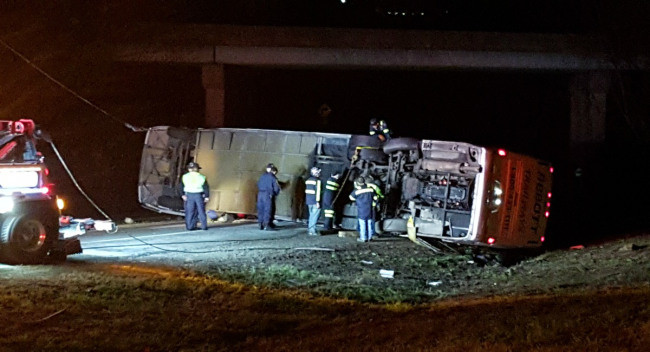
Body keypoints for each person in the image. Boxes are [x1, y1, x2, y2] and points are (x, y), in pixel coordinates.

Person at [180, 162, 209, 231]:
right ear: (197, 169)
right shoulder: (201, 177)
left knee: (190, 212)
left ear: (189, 169)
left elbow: (180, 186)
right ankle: (204, 226)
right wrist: (207, 196)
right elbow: (206, 187)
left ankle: (190, 226)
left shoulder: (185, 176)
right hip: (198, 195)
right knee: (201, 211)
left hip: (189, 196)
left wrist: (182, 195)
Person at [349, 176, 378, 242]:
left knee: (362, 224)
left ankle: (363, 238)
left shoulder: (356, 191)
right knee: (369, 223)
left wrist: (358, 200)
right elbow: (376, 198)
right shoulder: (370, 189)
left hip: (361, 209)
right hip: (369, 209)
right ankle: (370, 237)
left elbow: (351, 198)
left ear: (358, 183)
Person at [257, 163, 280, 231]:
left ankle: (260, 224)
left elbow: (258, 184)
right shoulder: (273, 177)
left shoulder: (262, 176)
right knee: (268, 210)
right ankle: (267, 225)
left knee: (261, 209)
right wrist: (274, 193)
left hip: (260, 194)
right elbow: (276, 188)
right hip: (267, 195)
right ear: (274, 171)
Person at [305, 166, 322, 236]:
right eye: (318, 172)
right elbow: (317, 192)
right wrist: (317, 201)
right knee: (314, 216)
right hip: (315, 201)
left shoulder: (308, 180)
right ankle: (313, 231)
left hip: (309, 200)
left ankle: (310, 230)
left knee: (311, 215)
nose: (320, 173)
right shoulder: (317, 181)